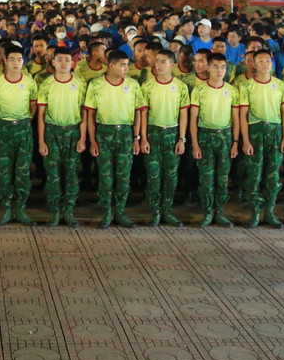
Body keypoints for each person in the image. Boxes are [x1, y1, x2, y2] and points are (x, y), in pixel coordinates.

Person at [84, 50, 145, 228]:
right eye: (123, 65)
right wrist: (93, 140)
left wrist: (136, 138)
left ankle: (120, 211)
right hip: (104, 132)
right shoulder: (96, 84)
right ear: (111, 65)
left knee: (124, 176)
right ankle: (106, 212)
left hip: (125, 132)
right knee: (105, 175)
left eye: (127, 64)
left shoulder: (133, 85)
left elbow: (138, 112)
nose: (126, 68)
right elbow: (90, 114)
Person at [35, 46, 87, 227]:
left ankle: (69, 210)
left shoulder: (80, 83)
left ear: (73, 63)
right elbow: (41, 115)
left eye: (67, 60)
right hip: (52, 131)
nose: (64, 64)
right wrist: (41, 141)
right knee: (53, 173)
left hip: (73, 131)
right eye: (60, 60)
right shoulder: (46, 84)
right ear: (53, 62)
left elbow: (84, 113)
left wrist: (82, 138)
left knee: (72, 172)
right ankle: (55, 210)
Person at [0, 42, 36, 225]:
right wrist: (0, 122)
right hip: (3, 128)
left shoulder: (29, 81)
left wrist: (24, 122)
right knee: (4, 170)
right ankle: (7, 208)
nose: (16, 63)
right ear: (5, 61)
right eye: (12, 59)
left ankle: (21, 209)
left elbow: (33, 106)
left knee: (23, 170)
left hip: (23, 128)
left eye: (19, 59)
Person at [188, 52, 238, 228]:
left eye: (223, 67)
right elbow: (193, 120)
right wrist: (195, 144)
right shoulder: (199, 90)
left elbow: (236, 119)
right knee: (206, 177)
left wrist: (236, 142)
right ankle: (208, 211)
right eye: (215, 66)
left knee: (223, 178)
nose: (219, 70)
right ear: (208, 67)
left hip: (225, 136)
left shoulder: (231, 90)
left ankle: (221, 212)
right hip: (205, 135)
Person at [140, 48, 188, 226]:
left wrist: (182, 139)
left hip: (172, 133)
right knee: (153, 175)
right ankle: (155, 210)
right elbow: (143, 114)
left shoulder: (181, 86)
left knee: (171, 175)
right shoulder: (148, 86)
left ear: (172, 65)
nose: (158, 65)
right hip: (153, 132)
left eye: (163, 62)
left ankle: (167, 209)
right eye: (157, 61)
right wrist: (143, 138)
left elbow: (183, 115)